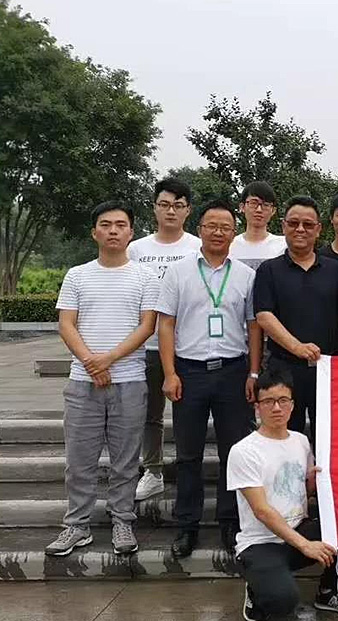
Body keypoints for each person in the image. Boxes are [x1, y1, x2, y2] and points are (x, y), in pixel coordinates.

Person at [45, 201, 159, 557]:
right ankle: (76, 526)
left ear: (131, 232)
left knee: (126, 460)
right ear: (94, 232)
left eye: (120, 225)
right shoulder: (77, 275)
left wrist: (107, 359)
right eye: (105, 224)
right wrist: (91, 362)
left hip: (129, 381)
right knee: (80, 460)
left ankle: (122, 520)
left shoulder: (145, 277)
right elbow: (66, 323)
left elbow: (147, 326)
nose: (113, 230)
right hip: (83, 382)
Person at [156, 199, 262, 557]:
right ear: (199, 229)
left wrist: (253, 372)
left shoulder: (246, 275)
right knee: (188, 454)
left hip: (233, 372)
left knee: (236, 452)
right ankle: (187, 525)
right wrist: (169, 373)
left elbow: (254, 327)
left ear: (234, 232)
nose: (218, 232)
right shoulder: (178, 272)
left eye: (225, 227)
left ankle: (230, 522)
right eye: (211, 226)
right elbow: (165, 324)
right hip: (189, 372)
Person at [229, 368, 338, 621]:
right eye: (269, 401)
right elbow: (262, 510)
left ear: (292, 405)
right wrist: (305, 545)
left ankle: (329, 592)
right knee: (282, 603)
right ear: (257, 407)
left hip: (297, 529)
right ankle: (256, 588)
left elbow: (301, 492)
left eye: (283, 400)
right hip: (261, 543)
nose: (277, 408)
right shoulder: (244, 451)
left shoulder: (301, 441)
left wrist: (314, 482)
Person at [254, 196, 338, 450]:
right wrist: (297, 347)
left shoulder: (334, 269)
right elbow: (264, 316)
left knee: (328, 440)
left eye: (308, 225)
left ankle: (321, 479)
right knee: (284, 438)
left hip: (327, 370)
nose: (300, 229)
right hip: (284, 369)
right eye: (294, 223)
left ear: (318, 229)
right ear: (283, 226)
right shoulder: (268, 270)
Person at [127, 178, 200, 502]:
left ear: (188, 211)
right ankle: (153, 471)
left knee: (189, 415)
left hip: (188, 346)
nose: (171, 211)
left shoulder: (197, 247)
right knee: (150, 414)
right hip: (146, 346)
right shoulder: (137, 249)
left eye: (178, 205)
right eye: (165, 204)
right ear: (155, 207)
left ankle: (188, 470)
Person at [229, 181, 286, 270]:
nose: (259, 210)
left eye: (265, 205)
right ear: (242, 207)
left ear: (273, 210)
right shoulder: (230, 246)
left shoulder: (284, 246)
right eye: (253, 203)